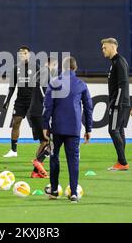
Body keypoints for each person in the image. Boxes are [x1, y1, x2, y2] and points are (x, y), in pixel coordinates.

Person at [42, 56, 93, 203]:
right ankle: (74, 193)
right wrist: (88, 128)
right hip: (74, 129)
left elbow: (48, 107)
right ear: (75, 68)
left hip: (56, 128)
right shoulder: (81, 84)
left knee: (54, 157)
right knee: (73, 160)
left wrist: (45, 125)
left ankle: (54, 191)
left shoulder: (54, 83)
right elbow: (88, 108)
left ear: (62, 68)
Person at [2, 46, 38, 158]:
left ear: (29, 54)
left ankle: (46, 146)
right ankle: (13, 150)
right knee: (15, 123)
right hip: (20, 101)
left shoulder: (36, 67)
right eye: (20, 54)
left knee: (39, 125)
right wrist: (7, 100)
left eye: (25, 53)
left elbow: (42, 85)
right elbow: (12, 87)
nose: (22, 55)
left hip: (33, 100)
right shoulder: (15, 68)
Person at [101, 38, 130, 171]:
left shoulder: (119, 62)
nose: (103, 50)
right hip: (121, 102)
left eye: (105, 47)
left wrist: (116, 103)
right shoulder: (115, 62)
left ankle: (123, 162)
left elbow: (122, 84)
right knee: (119, 130)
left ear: (113, 47)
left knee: (113, 130)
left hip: (119, 102)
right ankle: (121, 161)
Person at [29, 56, 58, 178]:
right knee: (53, 142)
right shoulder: (46, 73)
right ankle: (38, 161)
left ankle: (35, 172)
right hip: (41, 112)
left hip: (34, 111)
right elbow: (44, 90)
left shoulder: (38, 73)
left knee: (44, 141)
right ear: (53, 65)